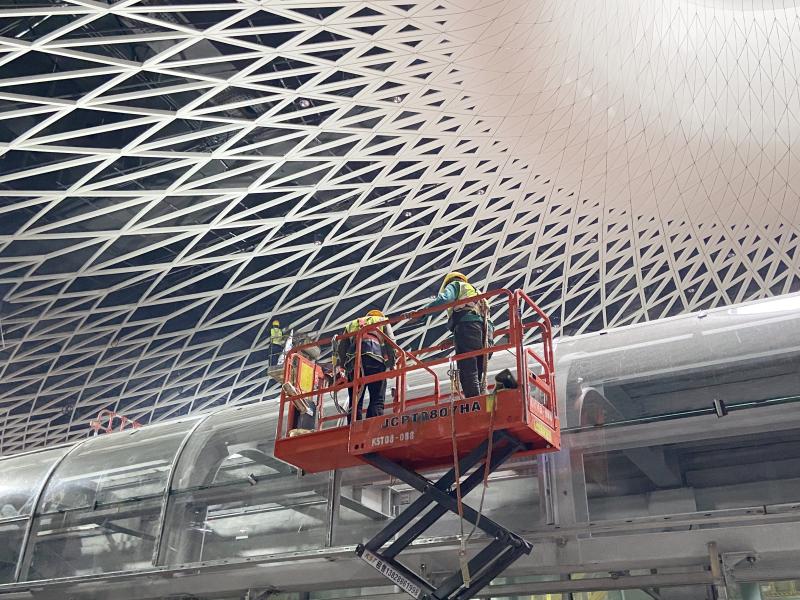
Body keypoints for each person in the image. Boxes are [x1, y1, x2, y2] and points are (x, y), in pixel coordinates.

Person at [426, 272, 492, 398]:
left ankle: (474, 402)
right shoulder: (477, 294)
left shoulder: (456, 285)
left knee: (468, 370)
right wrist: (453, 338)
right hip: (484, 334)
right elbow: (481, 321)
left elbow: (444, 299)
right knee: (478, 372)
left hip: (467, 328)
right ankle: (481, 398)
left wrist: (423, 313)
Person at [334, 309, 396, 423]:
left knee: (355, 401)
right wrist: (392, 364)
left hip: (354, 364)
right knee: (377, 398)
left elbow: (342, 349)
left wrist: (344, 368)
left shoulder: (352, 324)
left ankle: (353, 426)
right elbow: (391, 343)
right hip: (375, 361)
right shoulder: (382, 320)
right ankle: (373, 425)